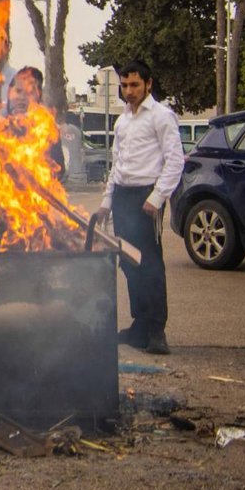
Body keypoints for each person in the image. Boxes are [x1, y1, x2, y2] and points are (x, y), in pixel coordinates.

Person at [94, 60, 184, 356]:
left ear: (149, 84)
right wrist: (107, 202)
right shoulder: (122, 121)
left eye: (134, 85)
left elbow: (175, 160)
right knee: (130, 264)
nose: (129, 91)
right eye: (124, 85)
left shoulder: (161, 117)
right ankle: (139, 327)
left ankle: (157, 330)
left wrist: (157, 197)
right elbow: (117, 165)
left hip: (147, 199)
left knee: (151, 266)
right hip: (123, 197)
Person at [5, 66, 66, 179]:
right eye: (18, 91)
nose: (22, 98)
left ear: (39, 96)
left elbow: (59, 171)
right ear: (9, 92)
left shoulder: (47, 130)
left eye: (29, 93)